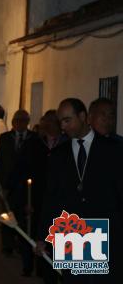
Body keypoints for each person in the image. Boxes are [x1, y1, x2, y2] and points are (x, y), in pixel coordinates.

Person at [37, 98, 123, 282]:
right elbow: (51, 198)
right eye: (60, 121)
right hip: (72, 229)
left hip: (106, 229)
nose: (62, 126)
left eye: (67, 120)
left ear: (83, 117)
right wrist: (43, 235)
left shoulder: (113, 149)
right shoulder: (58, 154)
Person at [12, 110, 64, 283]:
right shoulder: (33, 143)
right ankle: (28, 264)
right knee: (31, 231)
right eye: (45, 122)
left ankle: (46, 267)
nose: (47, 125)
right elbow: (22, 169)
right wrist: (24, 198)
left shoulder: (65, 144)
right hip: (33, 195)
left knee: (52, 234)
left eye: (51, 122)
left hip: (55, 197)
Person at [0, 109, 38, 261]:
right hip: (7, 183)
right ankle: (7, 245)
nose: (20, 124)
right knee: (7, 214)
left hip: (25, 185)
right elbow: (0, 161)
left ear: (28, 122)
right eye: (17, 121)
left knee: (23, 216)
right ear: (13, 123)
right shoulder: (5, 138)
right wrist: (0, 185)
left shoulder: (34, 138)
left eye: (23, 121)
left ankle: (22, 244)